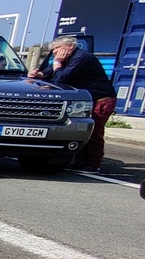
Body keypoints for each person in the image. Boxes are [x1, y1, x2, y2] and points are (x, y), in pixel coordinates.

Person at [29, 35, 116, 172]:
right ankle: (80, 162)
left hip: (101, 99)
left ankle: (93, 164)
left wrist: (57, 63)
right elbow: (50, 73)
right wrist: (39, 74)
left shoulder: (81, 57)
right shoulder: (67, 59)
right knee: (82, 131)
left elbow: (61, 78)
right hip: (87, 99)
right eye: (53, 50)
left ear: (70, 46)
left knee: (94, 132)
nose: (55, 52)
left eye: (57, 48)